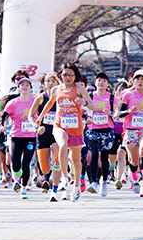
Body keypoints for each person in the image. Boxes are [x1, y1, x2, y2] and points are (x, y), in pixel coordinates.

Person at [38, 63, 100, 202]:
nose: (68, 77)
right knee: (62, 143)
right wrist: (41, 116)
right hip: (60, 125)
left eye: (71, 75)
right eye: (65, 74)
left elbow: (93, 107)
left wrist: (83, 102)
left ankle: (77, 185)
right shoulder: (56, 89)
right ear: (61, 75)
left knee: (76, 160)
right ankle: (64, 179)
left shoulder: (80, 89)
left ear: (75, 76)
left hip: (76, 127)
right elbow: (50, 103)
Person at [114, 69, 143, 197]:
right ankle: (134, 178)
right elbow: (120, 114)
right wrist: (129, 111)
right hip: (130, 130)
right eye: (137, 79)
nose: (140, 82)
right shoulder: (127, 94)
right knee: (133, 161)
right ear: (133, 81)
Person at [4, 77, 37, 199]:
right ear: (18, 87)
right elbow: (4, 115)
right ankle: (17, 177)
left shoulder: (35, 101)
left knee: (26, 162)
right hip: (16, 136)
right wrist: (1, 122)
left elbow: (42, 113)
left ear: (30, 87)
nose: (24, 86)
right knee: (15, 163)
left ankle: (23, 188)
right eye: (21, 84)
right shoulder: (13, 103)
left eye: (27, 85)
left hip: (30, 136)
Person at [29, 73, 60, 199]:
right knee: (45, 167)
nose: (51, 83)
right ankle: (46, 177)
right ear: (44, 83)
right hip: (43, 133)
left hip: (57, 132)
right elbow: (30, 116)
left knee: (56, 159)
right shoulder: (40, 98)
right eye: (48, 81)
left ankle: (56, 185)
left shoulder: (61, 97)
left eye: (53, 81)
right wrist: (37, 127)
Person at [86, 73, 115, 196]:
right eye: (99, 80)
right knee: (93, 155)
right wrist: (87, 118)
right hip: (93, 130)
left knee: (104, 158)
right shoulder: (90, 96)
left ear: (107, 83)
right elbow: (85, 110)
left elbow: (117, 113)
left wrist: (111, 113)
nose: (101, 83)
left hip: (107, 130)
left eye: (104, 80)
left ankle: (104, 181)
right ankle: (93, 182)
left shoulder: (112, 98)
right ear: (95, 82)